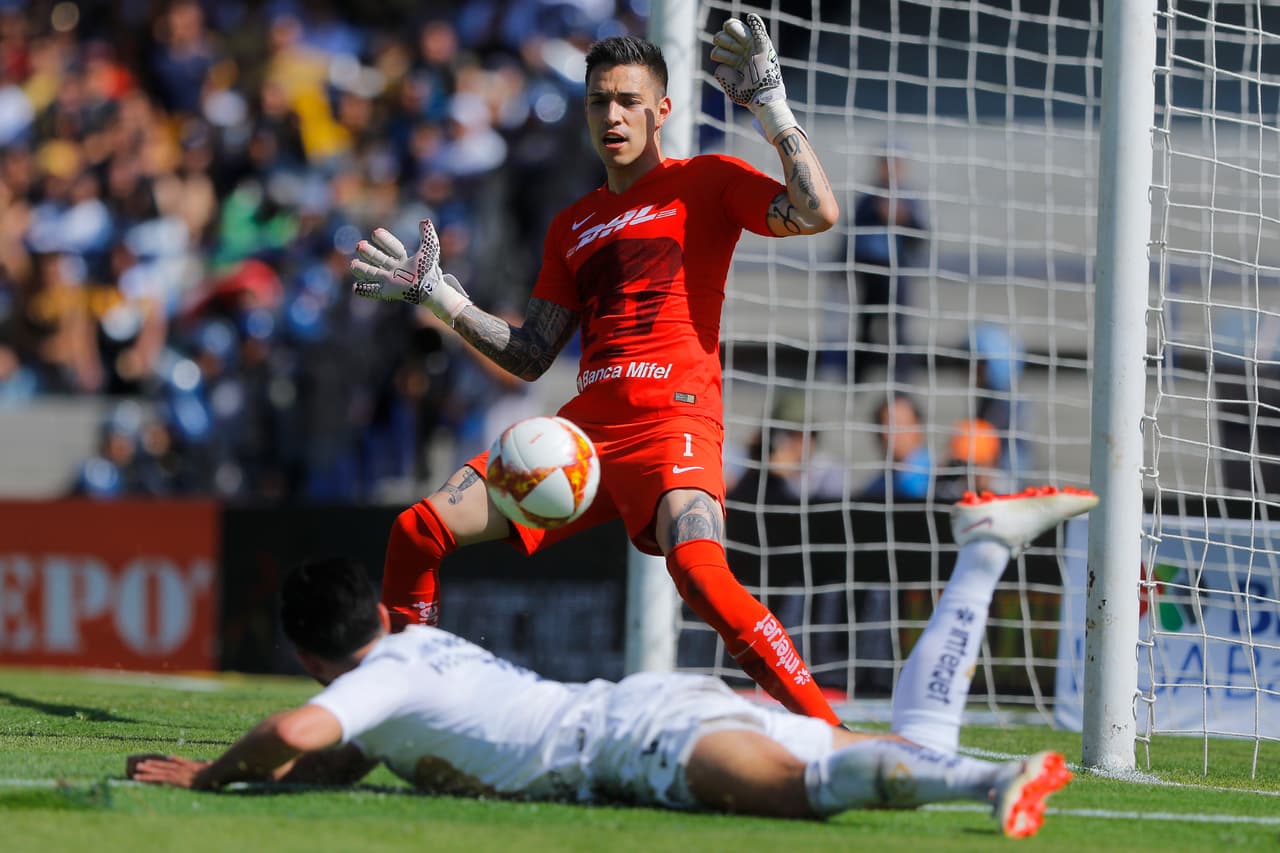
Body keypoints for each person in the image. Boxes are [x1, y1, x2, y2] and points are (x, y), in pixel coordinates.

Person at [347, 19, 845, 723]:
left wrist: (771, 107)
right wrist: (443, 296)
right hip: (582, 441)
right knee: (415, 530)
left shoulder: (706, 181)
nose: (613, 115)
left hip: (676, 422)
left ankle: (831, 730)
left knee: (702, 577)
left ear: (662, 111)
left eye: (629, 101)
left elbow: (818, 211)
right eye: (598, 101)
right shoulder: (572, 224)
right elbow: (530, 355)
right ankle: (404, 704)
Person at [127, 486, 1095, 838]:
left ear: (309, 656)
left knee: (814, 793)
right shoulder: (402, 669)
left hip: (634, 746)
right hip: (650, 706)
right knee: (894, 750)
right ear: (379, 609)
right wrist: (259, 789)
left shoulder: (376, 679)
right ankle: (981, 550)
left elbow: (299, 729)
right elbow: (331, 757)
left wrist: (214, 775)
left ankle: (991, 778)